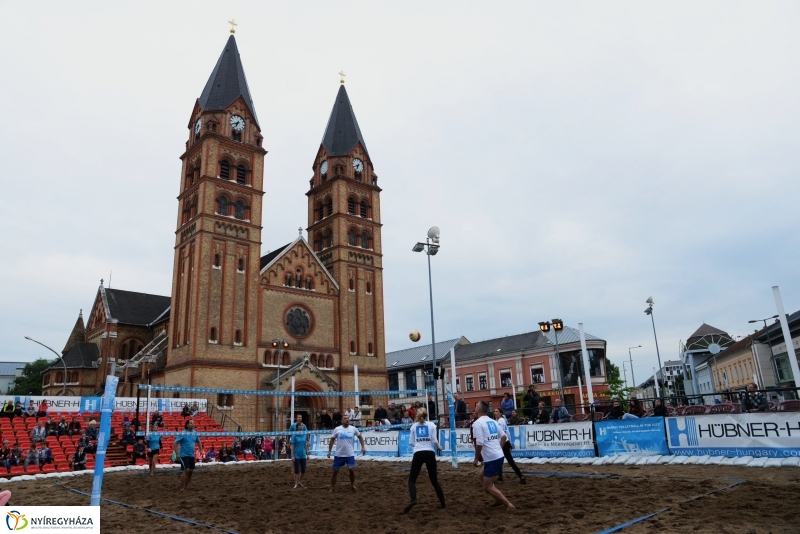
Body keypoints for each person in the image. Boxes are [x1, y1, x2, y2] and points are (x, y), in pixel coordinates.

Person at [472, 401, 514, 510]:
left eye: (476, 407)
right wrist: (498, 449)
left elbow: (479, 442)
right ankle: (497, 499)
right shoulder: (493, 421)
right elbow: (504, 437)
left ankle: (508, 505)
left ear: (479, 410)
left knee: (487, 487)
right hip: (497, 455)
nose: (475, 408)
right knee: (481, 476)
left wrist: (476, 458)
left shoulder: (477, 423)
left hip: (492, 458)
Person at [404, 408, 446, 513]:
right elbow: (434, 440)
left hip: (418, 453)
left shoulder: (414, 426)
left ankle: (413, 499)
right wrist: (439, 447)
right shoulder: (432, 425)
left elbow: (411, 442)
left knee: (412, 481)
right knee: (434, 481)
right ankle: (443, 504)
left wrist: (419, 445)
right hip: (430, 453)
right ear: (427, 415)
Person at [327, 415, 366, 492]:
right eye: (345, 419)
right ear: (342, 421)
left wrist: (363, 446)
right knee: (335, 471)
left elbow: (360, 437)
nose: (347, 420)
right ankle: (332, 487)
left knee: (351, 469)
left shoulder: (353, 428)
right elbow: (332, 440)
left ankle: (352, 485)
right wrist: (329, 451)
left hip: (349, 454)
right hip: (339, 454)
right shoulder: (337, 429)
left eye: (348, 418)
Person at [493, 408, 525, 484]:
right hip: (504, 442)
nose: (495, 413)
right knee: (505, 461)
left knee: (506, 461)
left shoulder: (500, 421)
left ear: (500, 413)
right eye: (494, 411)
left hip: (503, 443)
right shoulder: (499, 420)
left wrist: (504, 444)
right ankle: (519, 477)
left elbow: (502, 433)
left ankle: (520, 477)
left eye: (497, 411)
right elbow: (506, 433)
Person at [173, 419, 203, 490]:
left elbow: (199, 442)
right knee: (186, 470)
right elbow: (175, 443)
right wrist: (177, 453)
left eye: (193, 423)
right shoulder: (183, 433)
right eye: (191, 423)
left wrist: (201, 450)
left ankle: (186, 486)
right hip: (184, 454)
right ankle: (182, 487)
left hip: (191, 455)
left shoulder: (195, 433)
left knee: (191, 471)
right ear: (187, 425)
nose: (192, 424)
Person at [290, 419, 310, 488]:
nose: (301, 427)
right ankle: (296, 483)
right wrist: (292, 456)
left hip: (303, 454)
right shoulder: (295, 435)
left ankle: (299, 481)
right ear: (297, 427)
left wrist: (308, 454)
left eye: (302, 425)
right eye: (299, 426)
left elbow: (306, 444)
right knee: (297, 470)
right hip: (296, 454)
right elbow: (292, 446)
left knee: (303, 470)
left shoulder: (304, 435)